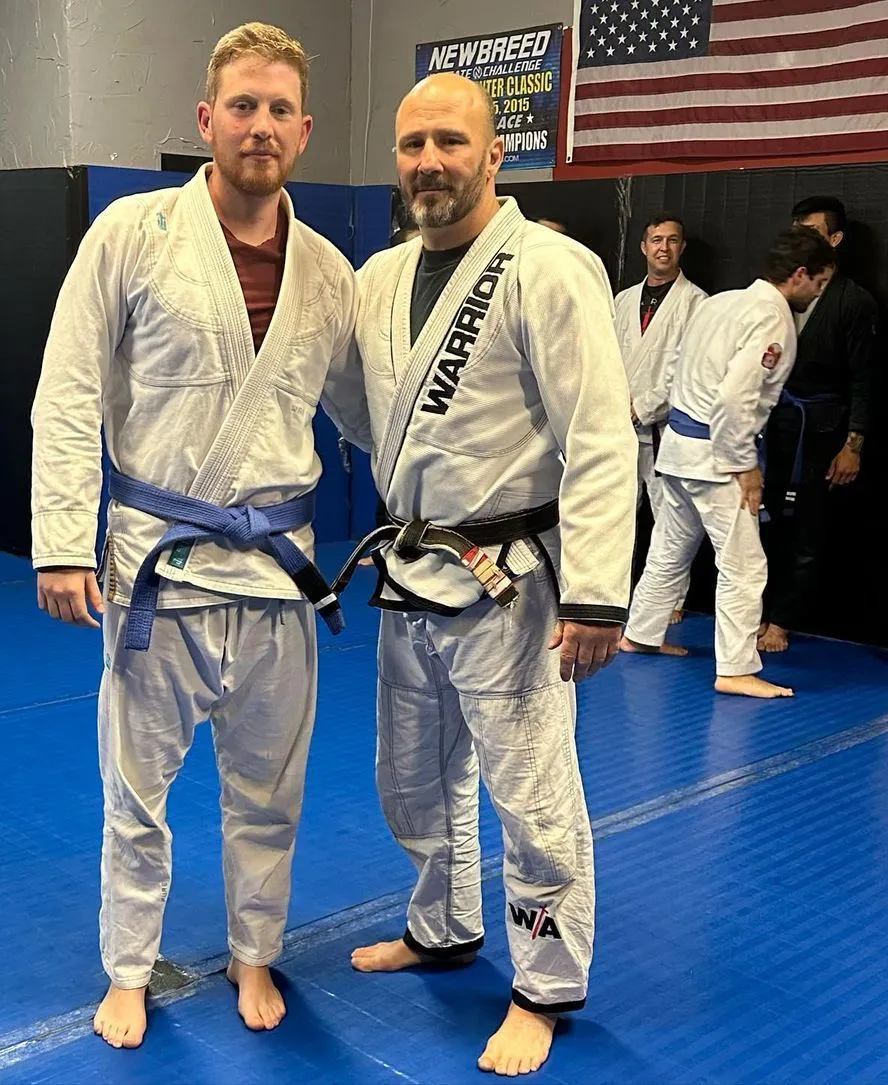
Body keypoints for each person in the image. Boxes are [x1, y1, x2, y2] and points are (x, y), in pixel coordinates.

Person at [30, 22, 369, 1050]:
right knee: (136, 789)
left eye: (278, 111)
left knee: (270, 789)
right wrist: (60, 538)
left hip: (278, 568)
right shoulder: (131, 233)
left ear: (303, 131)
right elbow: (69, 388)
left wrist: (456, 512)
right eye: (243, 106)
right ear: (205, 118)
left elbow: (367, 412)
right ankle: (130, 966)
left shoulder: (327, 270)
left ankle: (255, 948)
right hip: (156, 567)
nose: (259, 126)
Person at [328, 73, 638, 1077]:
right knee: (412, 776)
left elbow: (598, 435)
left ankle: (544, 984)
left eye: (449, 142)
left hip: (513, 582)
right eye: (412, 142)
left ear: (494, 153)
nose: (428, 161)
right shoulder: (375, 278)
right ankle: (443, 925)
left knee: (532, 792)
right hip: (413, 564)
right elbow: (361, 409)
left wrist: (596, 592)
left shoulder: (551, 268)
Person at [620, 226, 836, 698]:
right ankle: (735, 667)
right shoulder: (771, 318)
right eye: (819, 283)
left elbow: (677, 367)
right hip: (716, 459)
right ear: (800, 275)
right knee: (744, 565)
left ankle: (641, 634)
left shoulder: (719, 302)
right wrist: (746, 466)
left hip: (676, 448)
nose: (818, 293)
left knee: (669, 549)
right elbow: (736, 400)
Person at [759, 197, 878, 653]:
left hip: (824, 431)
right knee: (762, 526)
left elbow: (867, 381)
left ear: (835, 238)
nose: (802, 238)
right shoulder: (776, 294)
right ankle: (758, 612)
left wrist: (855, 444)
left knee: (807, 532)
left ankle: (783, 620)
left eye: (812, 230)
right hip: (775, 426)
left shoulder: (853, 302)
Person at [613, 214, 707, 623]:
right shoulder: (622, 300)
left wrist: (644, 406)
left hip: (664, 428)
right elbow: (605, 359)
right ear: (643, 247)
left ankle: (669, 602)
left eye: (672, 240)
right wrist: (613, 405)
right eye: (656, 240)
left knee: (670, 521)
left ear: (681, 248)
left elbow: (690, 369)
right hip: (616, 428)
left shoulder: (697, 303)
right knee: (612, 516)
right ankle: (609, 592)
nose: (663, 247)